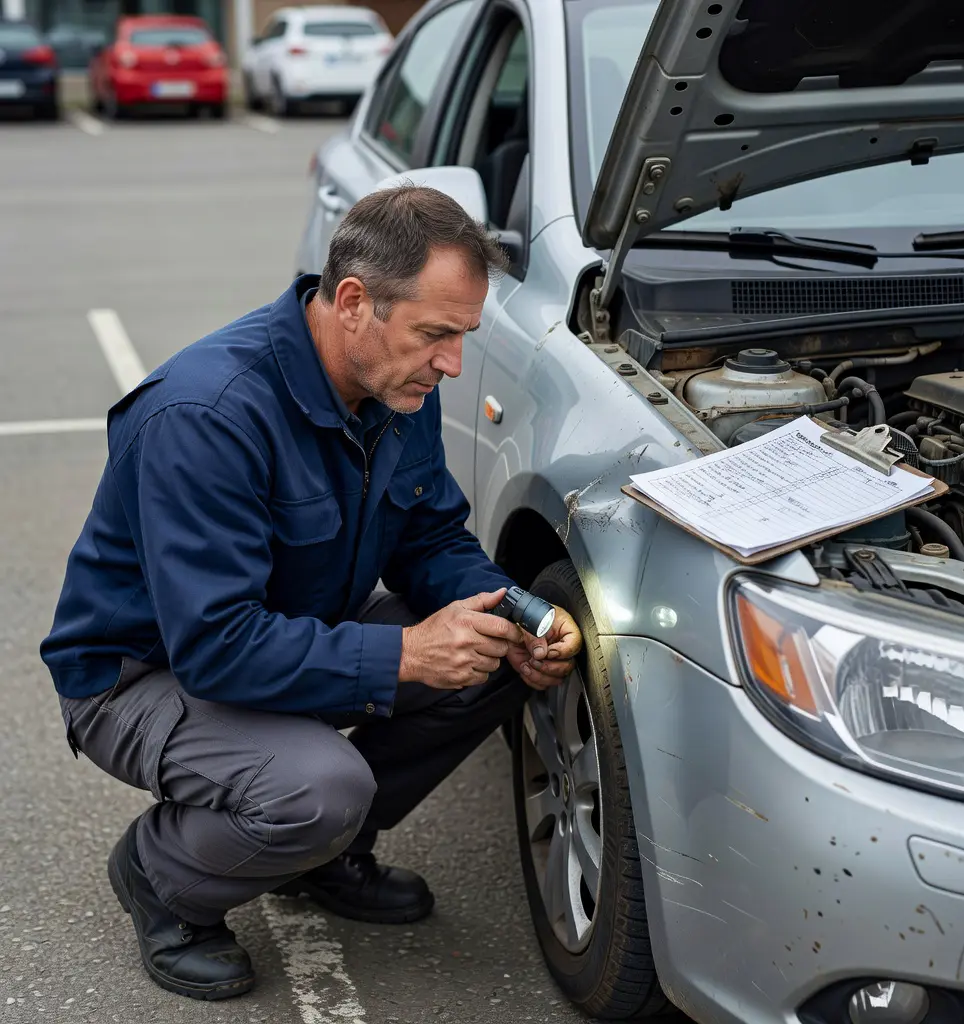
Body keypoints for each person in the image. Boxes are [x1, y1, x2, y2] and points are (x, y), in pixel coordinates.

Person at [39, 184, 582, 1002]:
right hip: (144, 674)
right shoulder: (206, 415)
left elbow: (430, 537)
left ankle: (319, 856)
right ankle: (163, 877)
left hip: (290, 628)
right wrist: (404, 653)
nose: (452, 364)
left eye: (462, 337)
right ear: (355, 302)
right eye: (437, 334)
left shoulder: (398, 386)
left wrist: (523, 612)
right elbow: (217, 645)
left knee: (492, 648)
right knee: (319, 788)